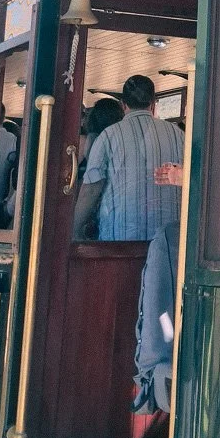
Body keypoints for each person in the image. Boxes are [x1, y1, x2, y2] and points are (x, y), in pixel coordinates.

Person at [72, 76, 183, 415]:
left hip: (118, 250)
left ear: (123, 106)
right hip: (169, 251)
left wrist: (73, 230)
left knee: (117, 329)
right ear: (154, 104)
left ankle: (132, 392)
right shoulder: (178, 135)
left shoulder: (108, 136)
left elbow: (91, 190)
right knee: (164, 322)